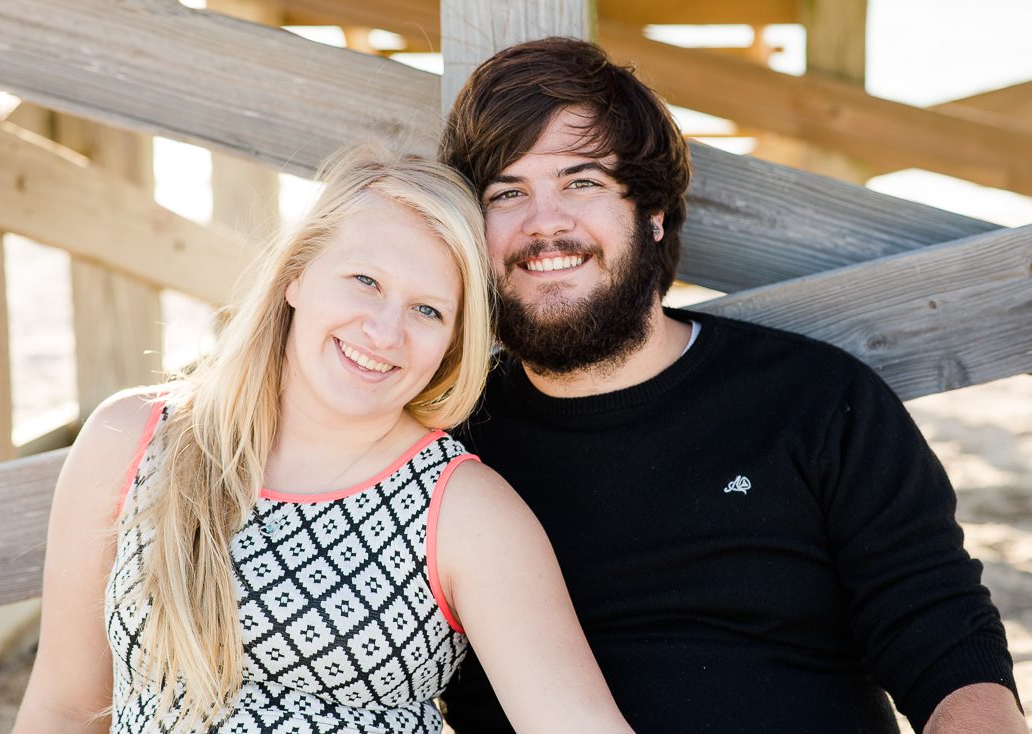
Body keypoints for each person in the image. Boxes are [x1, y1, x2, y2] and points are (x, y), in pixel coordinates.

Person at [437, 37, 1025, 734]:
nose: (545, 222)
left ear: (652, 212)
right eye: (508, 193)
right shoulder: (445, 437)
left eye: (581, 181)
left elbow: (948, 653)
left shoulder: (815, 401)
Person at [13, 148, 636, 734]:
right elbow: (63, 709)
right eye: (365, 280)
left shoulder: (466, 511)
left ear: (454, 342)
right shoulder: (133, 439)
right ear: (296, 276)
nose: (384, 331)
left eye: (428, 311)